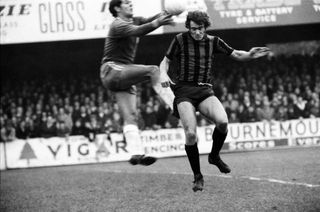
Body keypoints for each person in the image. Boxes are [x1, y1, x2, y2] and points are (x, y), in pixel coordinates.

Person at [159, 11, 270, 192]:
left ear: (205, 27)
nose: (196, 32)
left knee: (223, 122)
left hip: (204, 90)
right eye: (193, 29)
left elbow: (236, 54)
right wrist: (163, 73)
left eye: (200, 28)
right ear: (188, 27)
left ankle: (214, 156)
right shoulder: (180, 39)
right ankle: (197, 176)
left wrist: (249, 55)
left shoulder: (214, 41)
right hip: (184, 91)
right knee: (191, 134)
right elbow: (165, 62)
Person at [100, 0, 179, 166]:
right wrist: (158, 22)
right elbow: (139, 31)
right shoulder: (118, 24)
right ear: (117, 8)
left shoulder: (134, 19)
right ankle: (175, 106)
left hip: (120, 76)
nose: (130, 4)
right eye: (126, 3)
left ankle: (136, 153)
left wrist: (168, 12)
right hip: (112, 70)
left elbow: (151, 19)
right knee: (153, 70)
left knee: (131, 117)